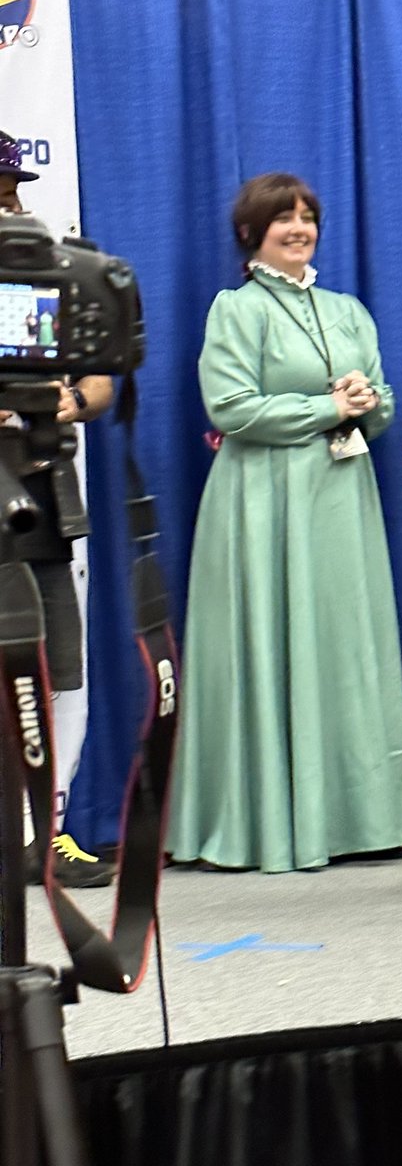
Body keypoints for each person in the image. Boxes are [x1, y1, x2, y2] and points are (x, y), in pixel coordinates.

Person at [166, 172, 402, 872]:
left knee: (342, 647)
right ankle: (269, 826)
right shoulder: (236, 310)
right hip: (261, 505)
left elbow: (386, 407)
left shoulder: (348, 311)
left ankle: (357, 821)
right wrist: (326, 411)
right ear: (253, 233)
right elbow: (232, 409)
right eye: (284, 219)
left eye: (308, 217)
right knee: (275, 645)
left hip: (342, 501)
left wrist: (367, 401)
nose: (299, 228)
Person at [0, 129, 116, 886]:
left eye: (12, 188)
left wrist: (54, 404)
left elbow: (101, 382)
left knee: (61, 672)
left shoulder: (50, 279)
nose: (9, 200)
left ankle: (50, 831)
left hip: (42, 504)